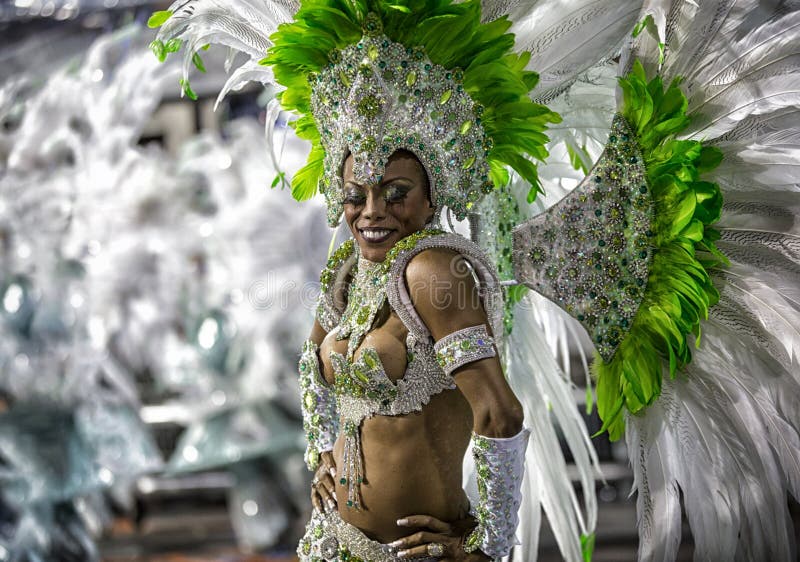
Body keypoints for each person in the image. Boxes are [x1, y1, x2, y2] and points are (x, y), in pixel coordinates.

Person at [298, 148, 526, 561]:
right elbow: (309, 362)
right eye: (355, 196)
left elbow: (499, 413)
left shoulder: (434, 272)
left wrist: (486, 547)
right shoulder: (347, 269)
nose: (371, 212)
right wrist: (320, 453)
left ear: (431, 196)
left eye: (395, 193)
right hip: (332, 541)